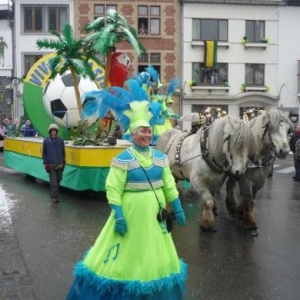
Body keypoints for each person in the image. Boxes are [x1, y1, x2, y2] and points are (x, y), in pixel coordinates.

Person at [66, 105, 188, 300]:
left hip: (154, 222)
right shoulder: (122, 159)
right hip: (130, 217)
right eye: (142, 131)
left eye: (149, 131)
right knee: (126, 256)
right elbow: (113, 189)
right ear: (133, 135)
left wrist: (178, 208)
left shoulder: (160, 158)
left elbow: (169, 185)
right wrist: (119, 215)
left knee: (152, 254)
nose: (147, 135)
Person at [42, 124, 66, 203]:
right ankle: (54, 197)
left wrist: (63, 161)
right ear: (50, 131)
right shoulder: (46, 141)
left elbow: (63, 152)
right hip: (51, 164)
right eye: (52, 131)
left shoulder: (60, 140)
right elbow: (44, 153)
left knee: (59, 179)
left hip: (59, 163)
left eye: (55, 130)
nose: (53, 132)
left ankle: (54, 192)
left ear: (56, 131)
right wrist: (45, 163)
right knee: (54, 182)